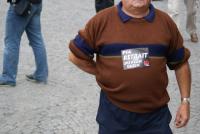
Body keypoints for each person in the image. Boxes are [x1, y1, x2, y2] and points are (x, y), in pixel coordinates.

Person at [69, 0, 191, 133]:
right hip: (114, 114)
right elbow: (75, 56)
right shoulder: (101, 21)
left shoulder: (165, 23)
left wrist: (185, 101)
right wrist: (101, 72)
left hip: (155, 117)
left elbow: (181, 63)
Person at [0, 0, 48, 87]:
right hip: (36, 4)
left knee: (11, 41)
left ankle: (8, 77)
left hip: (21, 5)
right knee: (37, 40)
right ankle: (41, 74)